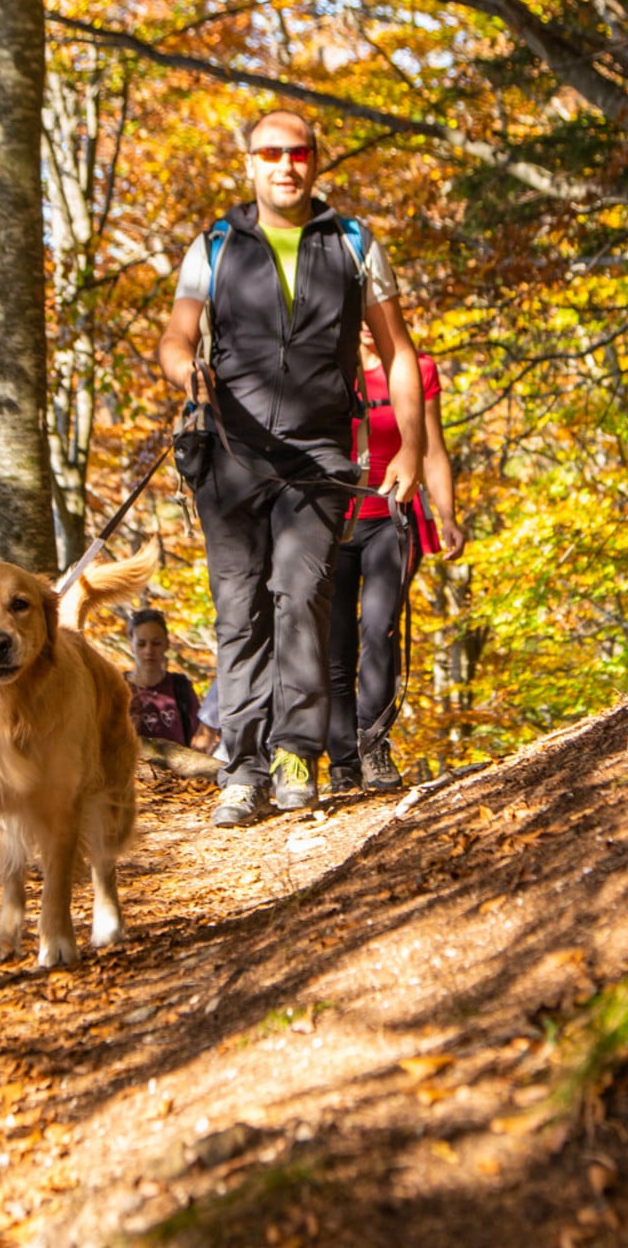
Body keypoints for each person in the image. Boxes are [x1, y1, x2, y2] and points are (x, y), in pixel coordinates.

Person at [155, 108, 425, 827]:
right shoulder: (213, 244)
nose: (285, 164)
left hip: (321, 457)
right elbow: (177, 335)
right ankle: (241, 768)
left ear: (315, 161)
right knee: (239, 610)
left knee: (301, 592)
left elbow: (397, 353)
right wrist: (189, 372)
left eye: (298, 152)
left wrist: (414, 452)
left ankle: (296, 753)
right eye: (270, 152)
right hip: (231, 457)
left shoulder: (353, 242)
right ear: (249, 162)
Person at [327, 322, 464, 793]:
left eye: (374, 314)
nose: (365, 324)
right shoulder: (329, 370)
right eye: (357, 313)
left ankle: (373, 744)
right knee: (335, 641)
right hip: (331, 523)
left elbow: (432, 450)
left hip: (392, 517)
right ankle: (341, 758)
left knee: (378, 628)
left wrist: (447, 515)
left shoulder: (417, 371)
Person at [124, 607, 202, 746]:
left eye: (156, 643)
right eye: (141, 644)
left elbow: (198, 742)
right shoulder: (117, 688)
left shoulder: (181, 687)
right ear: (131, 646)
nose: (149, 651)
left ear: (167, 644)